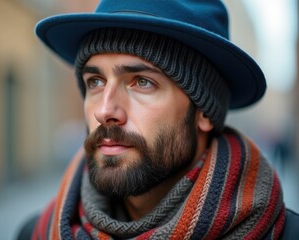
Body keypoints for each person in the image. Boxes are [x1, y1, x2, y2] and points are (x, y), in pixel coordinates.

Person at [18, 0, 299, 239]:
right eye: (95, 81)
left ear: (203, 111)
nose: (104, 111)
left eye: (142, 82)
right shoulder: (37, 232)